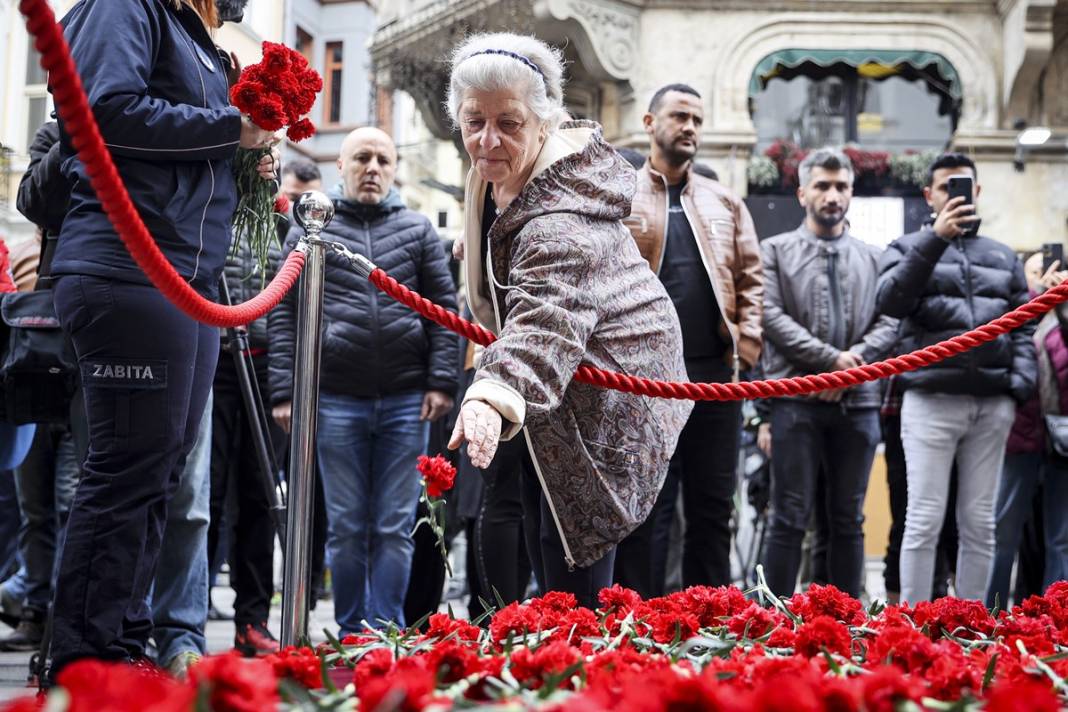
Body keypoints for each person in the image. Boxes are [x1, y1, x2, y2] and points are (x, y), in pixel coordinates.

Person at [47, 0, 275, 677]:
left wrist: (243, 155)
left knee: (157, 473)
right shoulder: (125, 6)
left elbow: (180, 147)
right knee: (127, 472)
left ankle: (120, 645)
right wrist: (232, 128)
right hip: (131, 264)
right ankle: (87, 660)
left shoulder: (188, 31)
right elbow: (106, 112)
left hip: (181, 273)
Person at [446, 32, 693, 609]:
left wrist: (491, 392)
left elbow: (544, 321)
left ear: (545, 124)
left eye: (508, 123)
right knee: (542, 538)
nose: (487, 139)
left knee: (574, 573)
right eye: (473, 120)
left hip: (609, 399)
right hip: (555, 395)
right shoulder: (500, 181)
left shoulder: (558, 223)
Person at [269, 127, 459, 632]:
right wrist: (286, 391)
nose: (373, 168)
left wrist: (441, 381)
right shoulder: (311, 230)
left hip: (405, 400)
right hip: (333, 398)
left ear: (394, 169)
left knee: (395, 527)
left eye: (383, 159)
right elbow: (285, 315)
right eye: (362, 158)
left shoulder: (419, 230)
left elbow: (443, 311)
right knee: (348, 528)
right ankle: (352, 631)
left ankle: (388, 631)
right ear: (342, 167)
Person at [618, 83, 762, 595]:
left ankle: (713, 618)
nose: (691, 128)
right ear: (650, 122)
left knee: (713, 508)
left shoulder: (724, 200)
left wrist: (745, 349)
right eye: (680, 116)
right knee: (646, 509)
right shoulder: (621, 195)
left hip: (715, 379)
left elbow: (751, 280)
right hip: (645, 382)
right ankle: (643, 622)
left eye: (698, 120)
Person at [877, 152, 1036, 604]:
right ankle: (911, 621)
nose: (954, 195)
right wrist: (934, 240)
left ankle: (970, 623)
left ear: (978, 192)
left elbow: (1021, 325)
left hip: (992, 403)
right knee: (922, 518)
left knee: (980, 522)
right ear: (929, 195)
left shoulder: (1003, 256)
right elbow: (890, 301)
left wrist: (1017, 386)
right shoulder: (907, 247)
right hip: (931, 399)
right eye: (946, 187)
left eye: (963, 186)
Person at [759, 148, 898, 599]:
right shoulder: (774, 251)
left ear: (852, 192)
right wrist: (829, 364)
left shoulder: (876, 258)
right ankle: (769, 619)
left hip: (858, 404)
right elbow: (771, 317)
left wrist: (850, 367)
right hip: (795, 402)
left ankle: (844, 619)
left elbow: (891, 321)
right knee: (788, 515)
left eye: (841, 186)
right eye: (822, 185)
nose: (832, 195)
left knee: (847, 518)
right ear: (802, 193)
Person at [986, 252, 1068, 607]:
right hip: (1021, 439)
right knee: (1003, 534)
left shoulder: (1063, 316)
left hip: (1061, 442)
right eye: (1035, 272)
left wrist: (1062, 306)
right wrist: (1038, 295)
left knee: (1060, 538)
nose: (1045, 278)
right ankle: (990, 614)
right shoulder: (1017, 310)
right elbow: (1007, 341)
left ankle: (1057, 616)